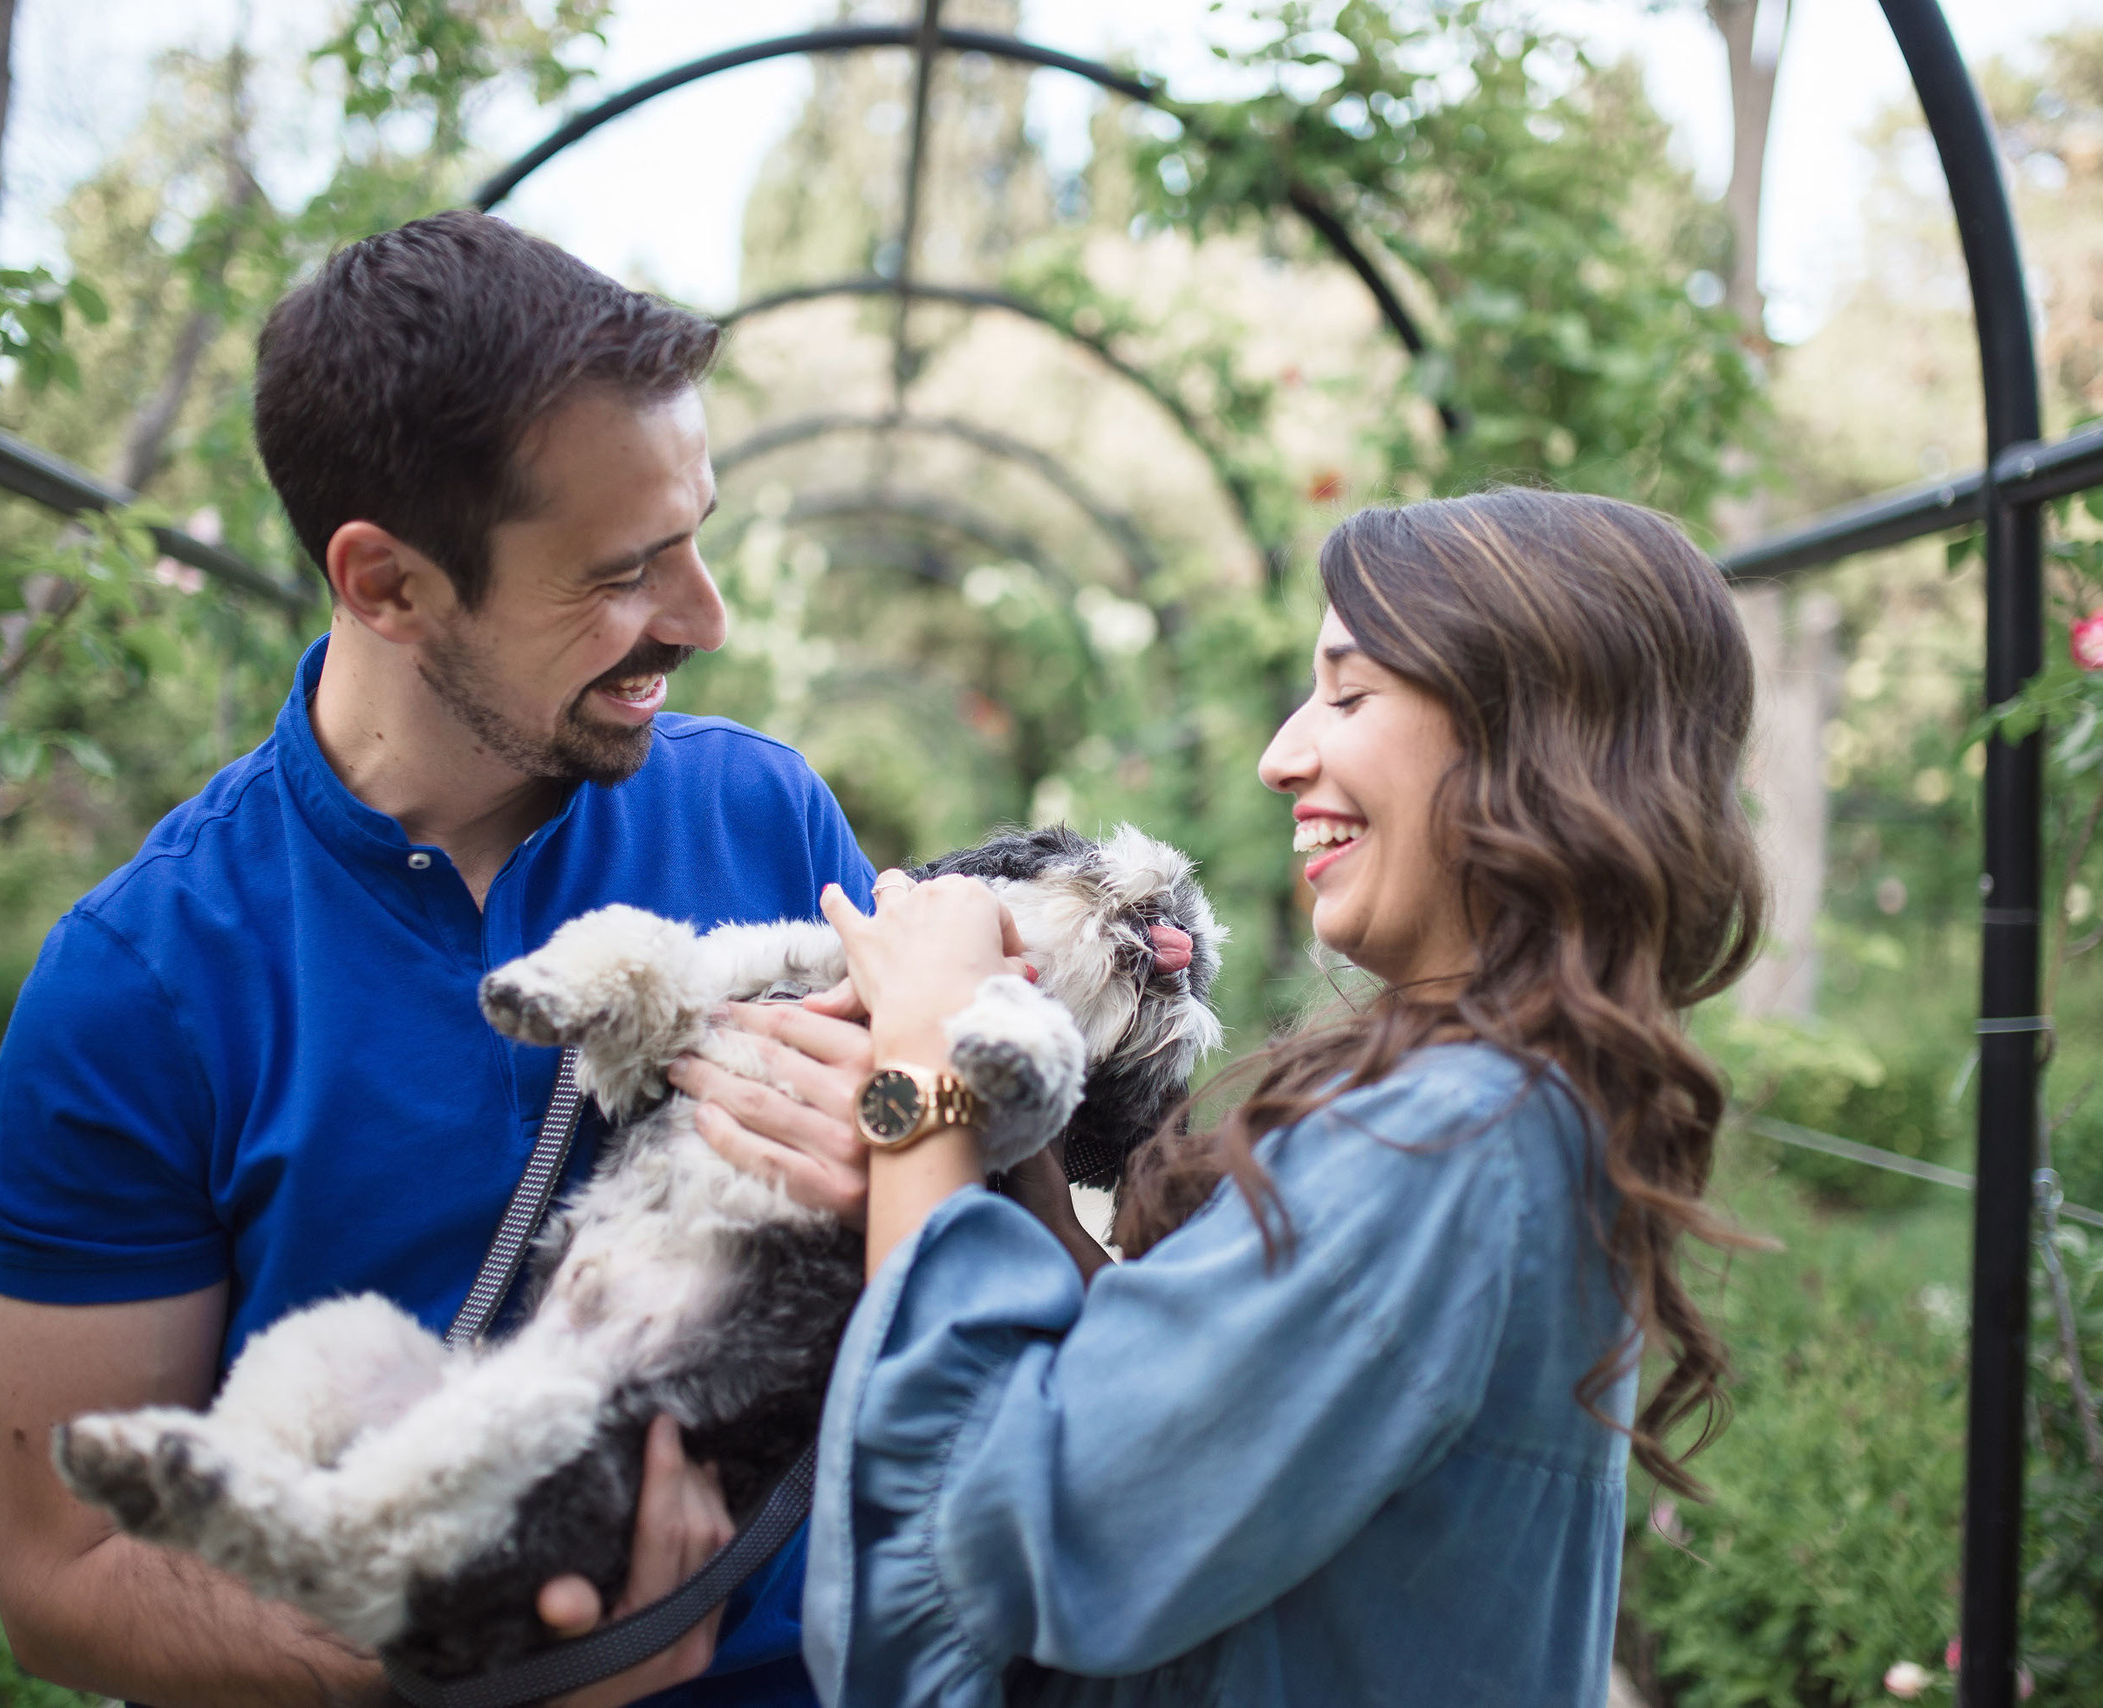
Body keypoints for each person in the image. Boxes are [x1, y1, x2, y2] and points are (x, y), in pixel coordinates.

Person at [0, 211, 880, 1708]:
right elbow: (64, 1581)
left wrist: (920, 1136)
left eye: (695, 535)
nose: (704, 617)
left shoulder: (766, 813)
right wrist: (482, 1671)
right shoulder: (141, 987)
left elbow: (990, 1259)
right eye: (621, 573)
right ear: (386, 584)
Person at [691, 487, 1765, 1705]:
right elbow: (1186, 1433)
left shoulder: (1446, 1139)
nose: (1278, 754)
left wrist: (923, 1069)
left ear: (1532, 737)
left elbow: (980, 1550)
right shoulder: (1504, 1110)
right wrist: (1015, 1168)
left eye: (1349, 694)